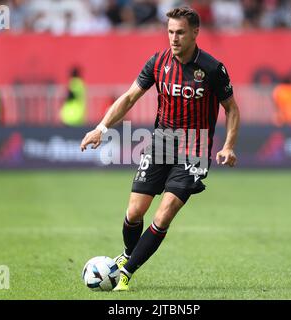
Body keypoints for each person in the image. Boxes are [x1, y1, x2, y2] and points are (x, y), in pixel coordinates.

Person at [80, 7, 240, 291]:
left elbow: (232, 109)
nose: (174, 38)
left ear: (194, 33)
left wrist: (228, 146)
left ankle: (125, 273)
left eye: (180, 32)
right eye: (170, 32)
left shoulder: (213, 69)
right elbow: (129, 98)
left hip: (195, 147)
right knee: (134, 212)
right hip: (162, 142)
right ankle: (129, 255)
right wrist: (101, 128)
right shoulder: (158, 62)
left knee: (165, 212)